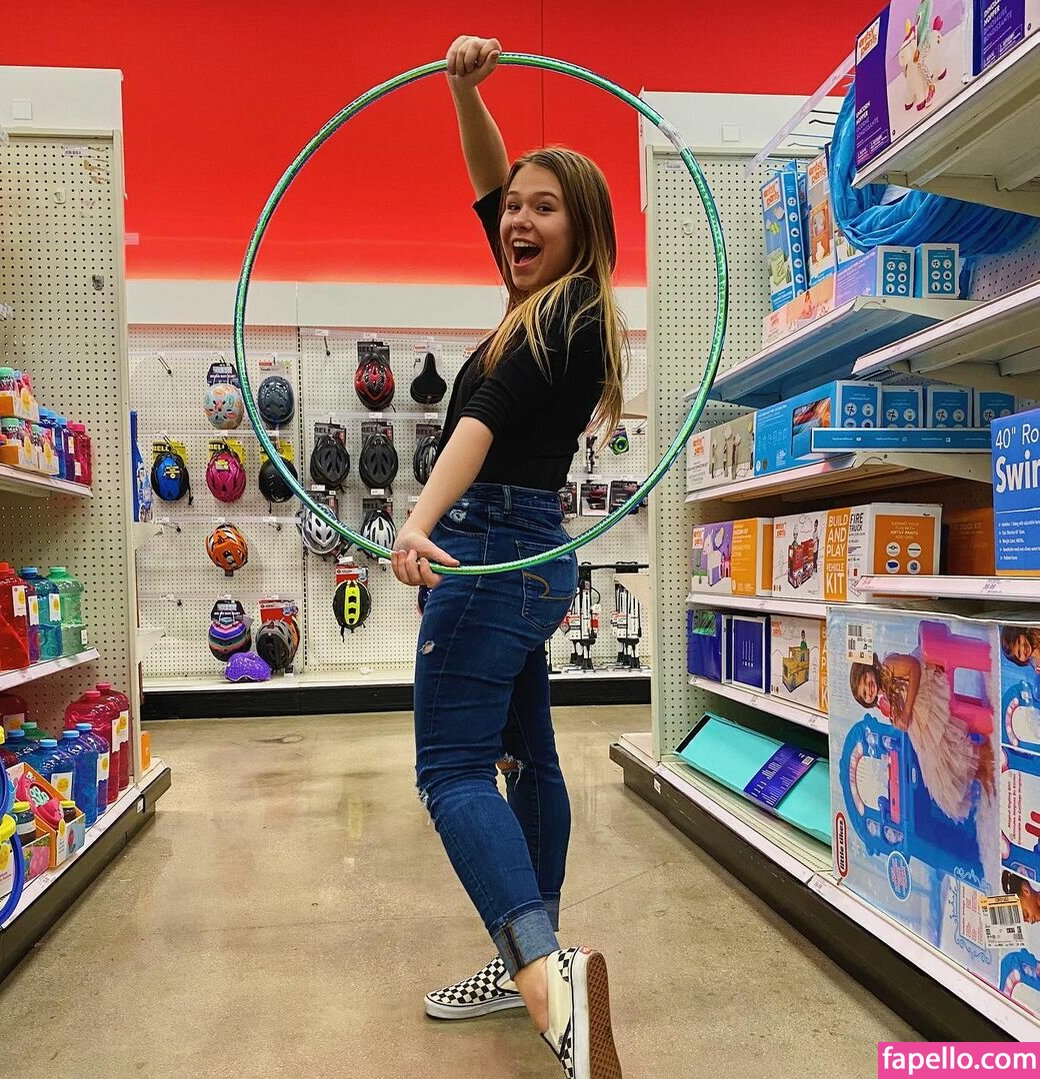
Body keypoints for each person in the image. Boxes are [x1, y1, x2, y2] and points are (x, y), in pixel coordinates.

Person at [389, 34, 625, 1079]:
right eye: (513, 209)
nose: (516, 220)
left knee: (451, 768)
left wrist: (420, 520)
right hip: (533, 550)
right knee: (529, 757)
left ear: (583, 229)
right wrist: (465, 90)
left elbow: (480, 421)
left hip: (487, 544)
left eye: (543, 208)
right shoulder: (563, 303)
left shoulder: (556, 315)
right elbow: (490, 182)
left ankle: (543, 977)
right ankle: (533, 946)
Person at [849, 651, 995, 822]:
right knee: (936, 766)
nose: (869, 688)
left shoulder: (888, 665)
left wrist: (906, 712)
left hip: (925, 688)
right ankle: (979, 770)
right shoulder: (884, 697)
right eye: (865, 694)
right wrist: (898, 716)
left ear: (869, 669)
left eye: (865, 680)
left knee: (941, 747)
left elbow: (914, 667)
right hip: (918, 716)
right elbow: (900, 712)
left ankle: (983, 756)